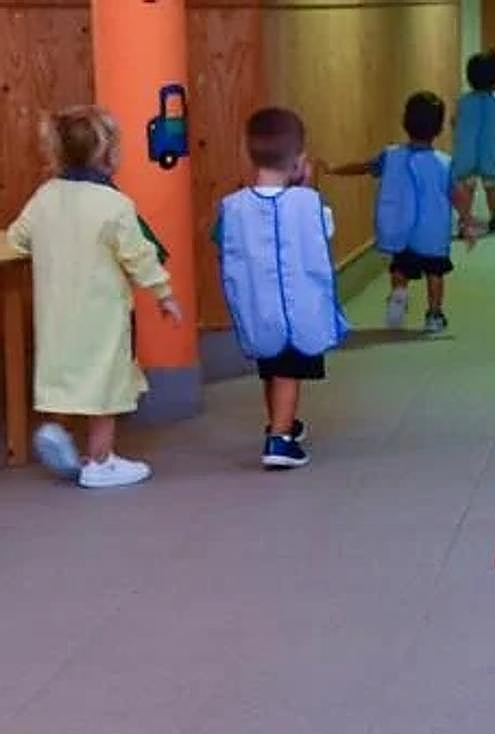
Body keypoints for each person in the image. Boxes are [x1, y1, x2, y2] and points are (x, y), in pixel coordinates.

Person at [6, 105, 182, 489]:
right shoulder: (114, 205)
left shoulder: (45, 197)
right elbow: (140, 255)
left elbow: (15, 241)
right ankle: (100, 462)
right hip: (102, 318)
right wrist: (164, 294)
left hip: (56, 318)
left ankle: (56, 430)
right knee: (104, 391)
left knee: (65, 381)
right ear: (107, 155)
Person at [215, 107, 347, 470]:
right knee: (289, 370)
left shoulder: (233, 206)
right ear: (300, 161)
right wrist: (305, 187)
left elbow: (223, 243)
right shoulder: (309, 202)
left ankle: (279, 421)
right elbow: (325, 232)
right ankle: (280, 439)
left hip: (259, 307)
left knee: (270, 369)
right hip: (299, 307)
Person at [325, 92, 476, 334]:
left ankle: (398, 294)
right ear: (438, 128)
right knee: (435, 272)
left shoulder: (390, 156)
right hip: (432, 233)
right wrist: (467, 222)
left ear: (405, 122)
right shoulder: (444, 163)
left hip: (400, 229)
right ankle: (434, 314)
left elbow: (364, 167)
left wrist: (334, 170)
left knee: (400, 267)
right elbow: (458, 195)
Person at [452, 49, 495, 234]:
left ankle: (464, 223)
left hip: (467, 153)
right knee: (490, 187)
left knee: (467, 188)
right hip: (490, 153)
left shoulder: (464, 101)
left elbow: (455, 122)